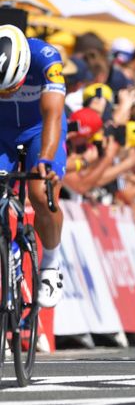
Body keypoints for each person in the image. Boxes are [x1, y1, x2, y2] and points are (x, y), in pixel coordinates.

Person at [0, 24, 67, 308]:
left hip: (39, 129)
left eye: (11, 88)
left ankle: (51, 262)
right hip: (2, 131)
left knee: (41, 194)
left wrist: (45, 159)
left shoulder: (46, 59)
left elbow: (53, 114)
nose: (6, 94)